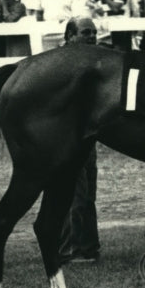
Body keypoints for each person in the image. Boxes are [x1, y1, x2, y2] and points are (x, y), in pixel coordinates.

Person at [58, 17, 102, 264]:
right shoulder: (61, 62)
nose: (92, 37)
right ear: (70, 35)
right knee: (75, 195)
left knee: (87, 196)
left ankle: (89, 247)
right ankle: (72, 248)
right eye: (86, 32)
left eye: (94, 33)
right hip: (68, 138)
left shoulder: (93, 61)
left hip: (89, 137)